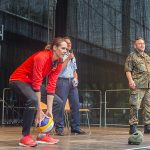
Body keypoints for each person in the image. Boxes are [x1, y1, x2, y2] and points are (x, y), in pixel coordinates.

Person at [9, 37, 67, 147]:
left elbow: (51, 85)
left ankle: (43, 135)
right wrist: (39, 110)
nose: (65, 51)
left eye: (67, 49)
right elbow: (37, 83)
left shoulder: (59, 62)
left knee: (58, 102)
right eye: (63, 48)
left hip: (32, 83)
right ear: (55, 48)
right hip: (18, 79)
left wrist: (49, 110)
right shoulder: (42, 57)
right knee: (33, 100)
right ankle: (25, 137)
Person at [54, 36, 86, 136]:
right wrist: (68, 58)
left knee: (76, 104)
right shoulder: (60, 55)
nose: (68, 45)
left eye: (70, 43)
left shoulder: (72, 56)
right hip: (62, 81)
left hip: (72, 82)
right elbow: (59, 69)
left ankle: (75, 127)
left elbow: (74, 71)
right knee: (61, 105)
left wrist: (76, 78)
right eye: (66, 43)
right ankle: (59, 128)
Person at [124, 37, 150, 134]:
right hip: (137, 85)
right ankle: (133, 126)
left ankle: (147, 126)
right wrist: (131, 81)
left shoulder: (147, 57)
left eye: (143, 43)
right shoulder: (132, 56)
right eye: (139, 43)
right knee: (135, 106)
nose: (142, 45)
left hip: (148, 86)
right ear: (135, 46)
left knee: (148, 107)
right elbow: (128, 70)